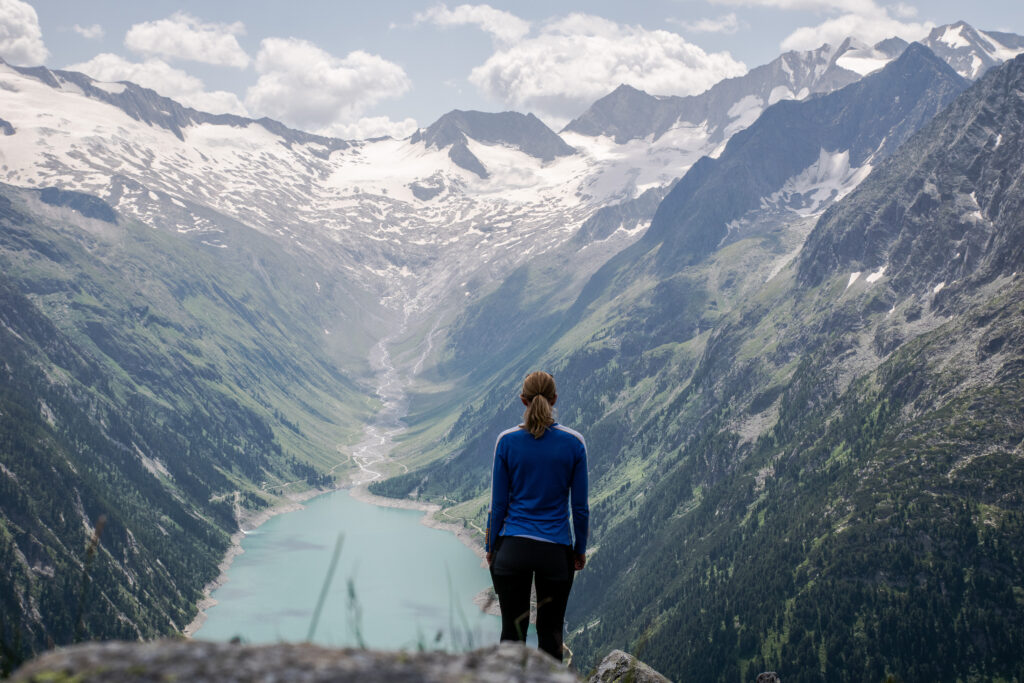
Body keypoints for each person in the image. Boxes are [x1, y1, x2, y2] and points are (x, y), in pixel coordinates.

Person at [485, 371, 589, 662]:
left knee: (512, 634)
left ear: (523, 400)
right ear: (555, 399)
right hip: (555, 552)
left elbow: (498, 505)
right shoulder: (574, 443)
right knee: (551, 635)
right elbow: (580, 508)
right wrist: (579, 550)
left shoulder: (506, 441)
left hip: (512, 550)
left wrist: (491, 548)